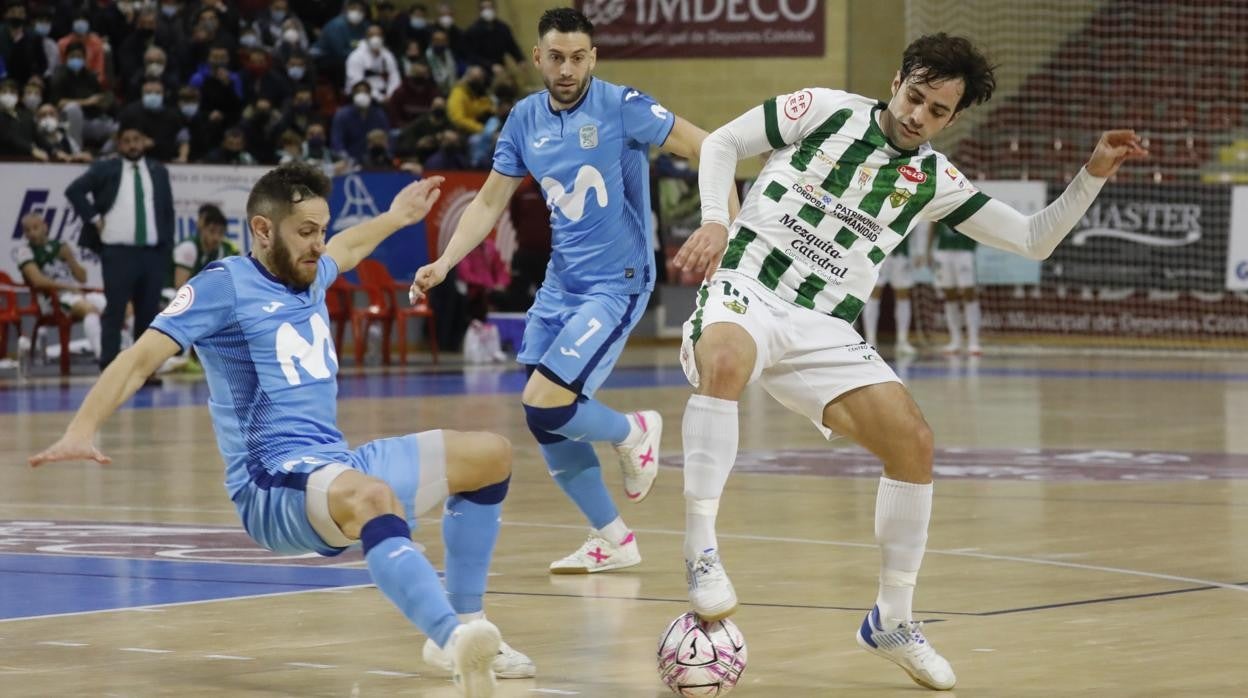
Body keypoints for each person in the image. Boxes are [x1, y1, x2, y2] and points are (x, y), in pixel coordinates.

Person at [670, 32, 1146, 691]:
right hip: (746, 287)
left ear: (953, 119)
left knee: (914, 443)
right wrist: (715, 220)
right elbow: (721, 142)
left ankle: (892, 617)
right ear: (896, 79)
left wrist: (1091, 174)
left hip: (821, 329)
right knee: (724, 361)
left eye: (936, 111)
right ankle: (700, 550)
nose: (918, 115)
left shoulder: (935, 182)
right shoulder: (826, 108)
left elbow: (1034, 240)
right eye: (914, 96)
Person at [30, 163, 534, 695]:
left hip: (331, 463)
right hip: (271, 485)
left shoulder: (311, 270)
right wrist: (81, 429)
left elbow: (351, 247)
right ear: (262, 230)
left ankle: (472, 628)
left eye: (321, 230)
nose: (318, 244)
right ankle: (449, 640)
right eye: (306, 232)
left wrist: (393, 217)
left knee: (490, 455)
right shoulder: (222, 286)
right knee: (374, 498)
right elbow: (138, 359)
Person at [412, 8, 726, 574]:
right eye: (556, 57)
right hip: (562, 283)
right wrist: (445, 259)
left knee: (546, 400)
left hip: (618, 281)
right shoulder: (523, 118)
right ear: (538, 58)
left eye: (579, 57)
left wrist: (718, 218)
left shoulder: (622, 105)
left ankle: (634, 430)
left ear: (594, 58)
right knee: (542, 416)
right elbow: (487, 202)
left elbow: (708, 145)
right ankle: (612, 538)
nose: (567, 68)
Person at [66, 125, 178, 374]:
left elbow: (167, 212)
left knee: (149, 315)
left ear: (144, 141)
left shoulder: (158, 171)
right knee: (115, 311)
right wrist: (94, 218)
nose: (132, 145)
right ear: (119, 144)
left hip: (152, 253)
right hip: (118, 253)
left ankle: (144, 372)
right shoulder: (106, 169)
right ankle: (109, 370)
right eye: (126, 141)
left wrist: (166, 248)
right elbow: (74, 191)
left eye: (136, 139)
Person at [16, 212, 106, 359]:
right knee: (90, 310)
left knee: (121, 307)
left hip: (75, 295)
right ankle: (103, 357)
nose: (31, 233)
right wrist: (67, 287)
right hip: (53, 300)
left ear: (45, 227)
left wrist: (69, 258)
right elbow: (37, 280)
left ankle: (133, 354)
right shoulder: (25, 252)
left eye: (35, 227)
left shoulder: (59, 246)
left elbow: (82, 278)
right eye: (27, 230)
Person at [928, 221, 981, 355]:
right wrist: (927, 250)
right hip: (943, 251)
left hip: (965, 250)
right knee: (949, 294)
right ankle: (955, 340)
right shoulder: (937, 201)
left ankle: (974, 341)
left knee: (969, 293)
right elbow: (932, 223)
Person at [863, 234, 916, 355]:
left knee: (903, 294)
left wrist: (919, 251)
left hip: (901, 252)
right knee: (874, 293)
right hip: (879, 251)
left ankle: (902, 341)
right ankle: (870, 341)